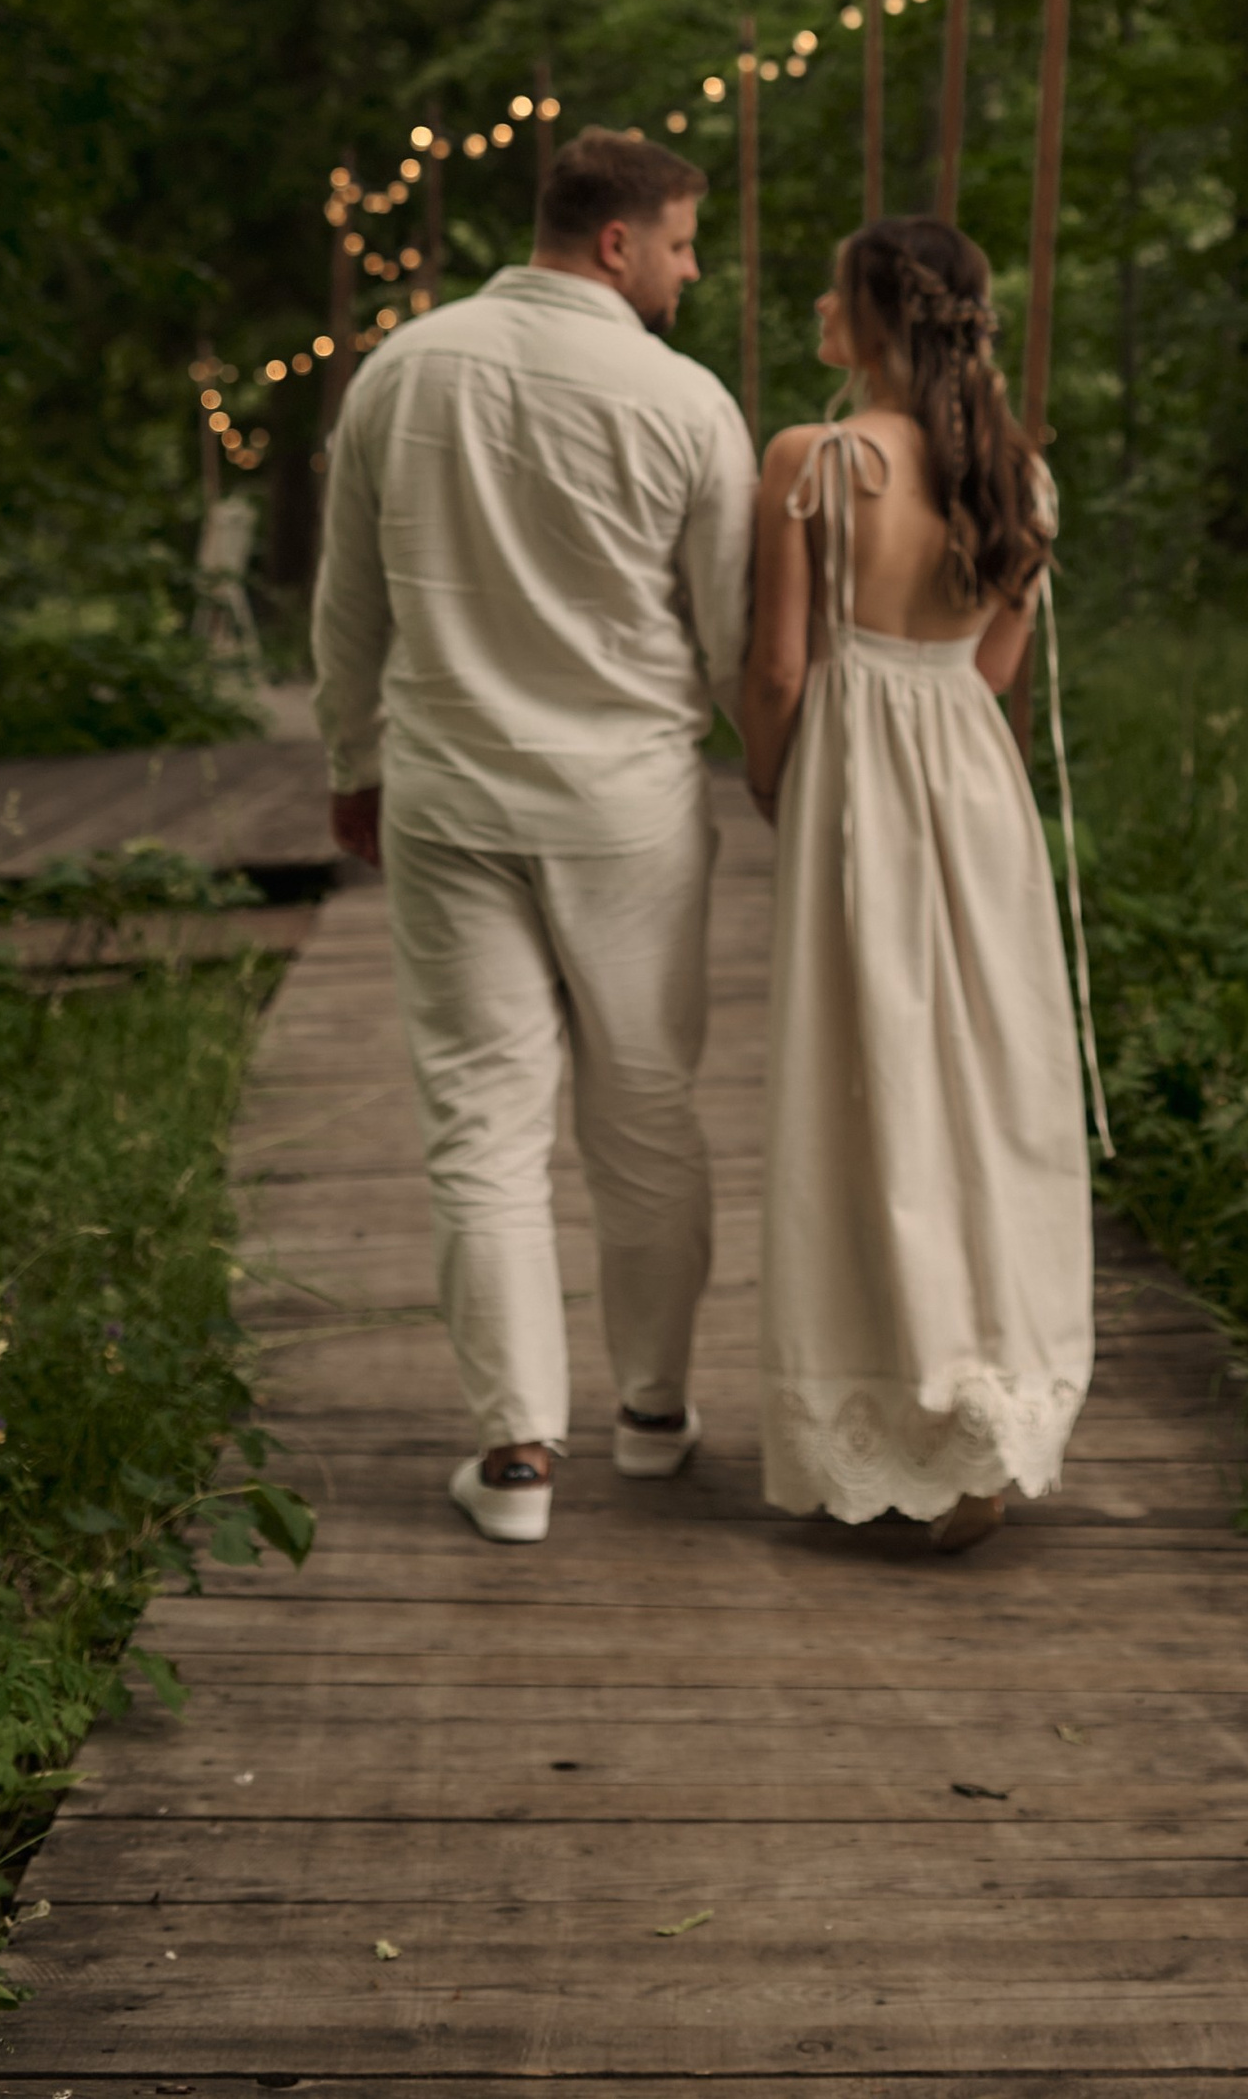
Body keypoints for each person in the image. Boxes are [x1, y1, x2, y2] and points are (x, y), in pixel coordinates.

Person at [313, 126, 757, 1548]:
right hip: (629, 807)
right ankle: (653, 1414)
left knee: (483, 1125)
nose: (692, 271)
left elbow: (349, 602)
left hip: (449, 797)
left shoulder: (403, 368)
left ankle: (515, 1459)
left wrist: (353, 761)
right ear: (617, 243)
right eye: (682, 243)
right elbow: (734, 634)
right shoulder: (685, 400)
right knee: (646, 1111)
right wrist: (776, 768)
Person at [742, 215, 1092, 1553]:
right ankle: (991, 1397)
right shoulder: (1019, 475)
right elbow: (994, 672)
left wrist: (772, 778)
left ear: (880, 318)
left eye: (834, 294)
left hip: (857, 789)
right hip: (972, 788)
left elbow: (779, 669)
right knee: (985, 1090)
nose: (818, 313)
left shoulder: (814, 461)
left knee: (868, 1085)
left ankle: (903, 1398)